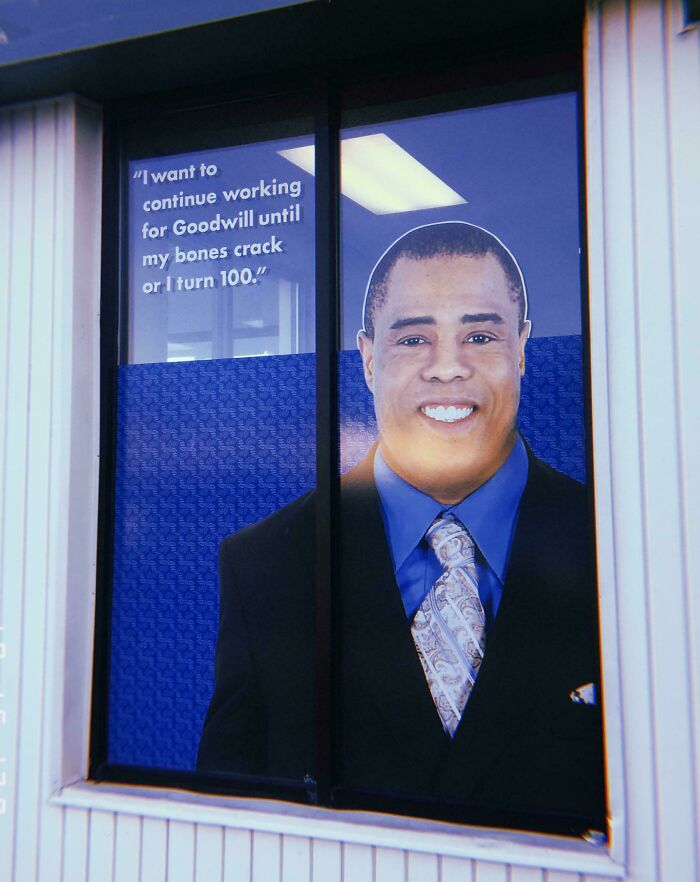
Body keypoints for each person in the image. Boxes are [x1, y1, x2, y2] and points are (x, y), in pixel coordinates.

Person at [198, 222, 606, 832]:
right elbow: (226, 822)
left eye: (479, 334)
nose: (447, 368)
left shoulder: (621, 548)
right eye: (414, 338)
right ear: (367, 358)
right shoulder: (267, 565)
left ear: (522, 348)